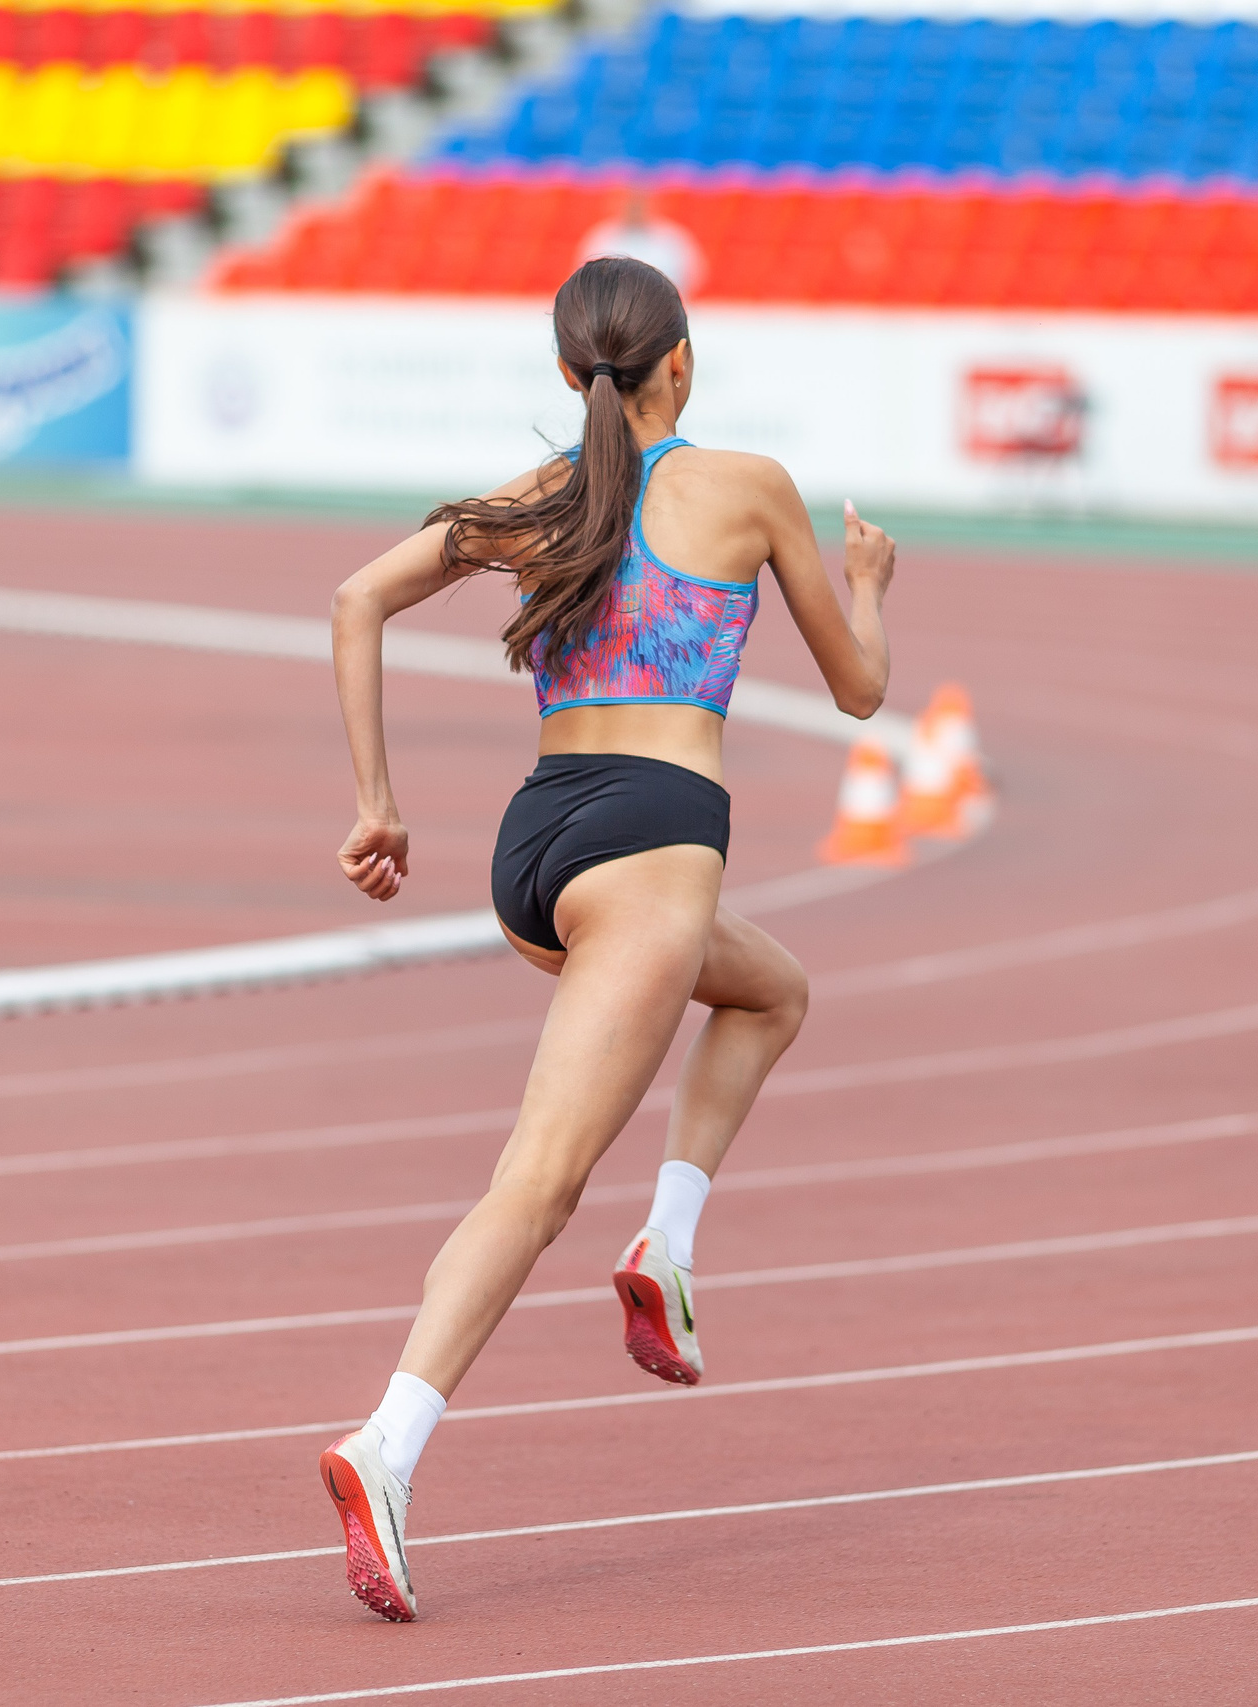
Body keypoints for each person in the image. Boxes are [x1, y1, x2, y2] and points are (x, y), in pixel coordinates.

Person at [318, 257, 896, 1622]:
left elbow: (356, 601)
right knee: (537, 1183)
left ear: (572, 375)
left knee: (770, 989)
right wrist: (868, 579)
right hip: (652, 839)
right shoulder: (747, 485)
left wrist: (378, 803)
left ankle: (668, 1248)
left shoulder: (538, 500)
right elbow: (861, 688)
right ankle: (385, 1444)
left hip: (541, 851)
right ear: (681, 366)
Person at [578, 189, 704, 294]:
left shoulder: (672, 237)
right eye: (630, 204)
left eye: (638, 205)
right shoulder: (602, 236)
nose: (634, 210)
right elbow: (586, 277)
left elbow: (693, 275)